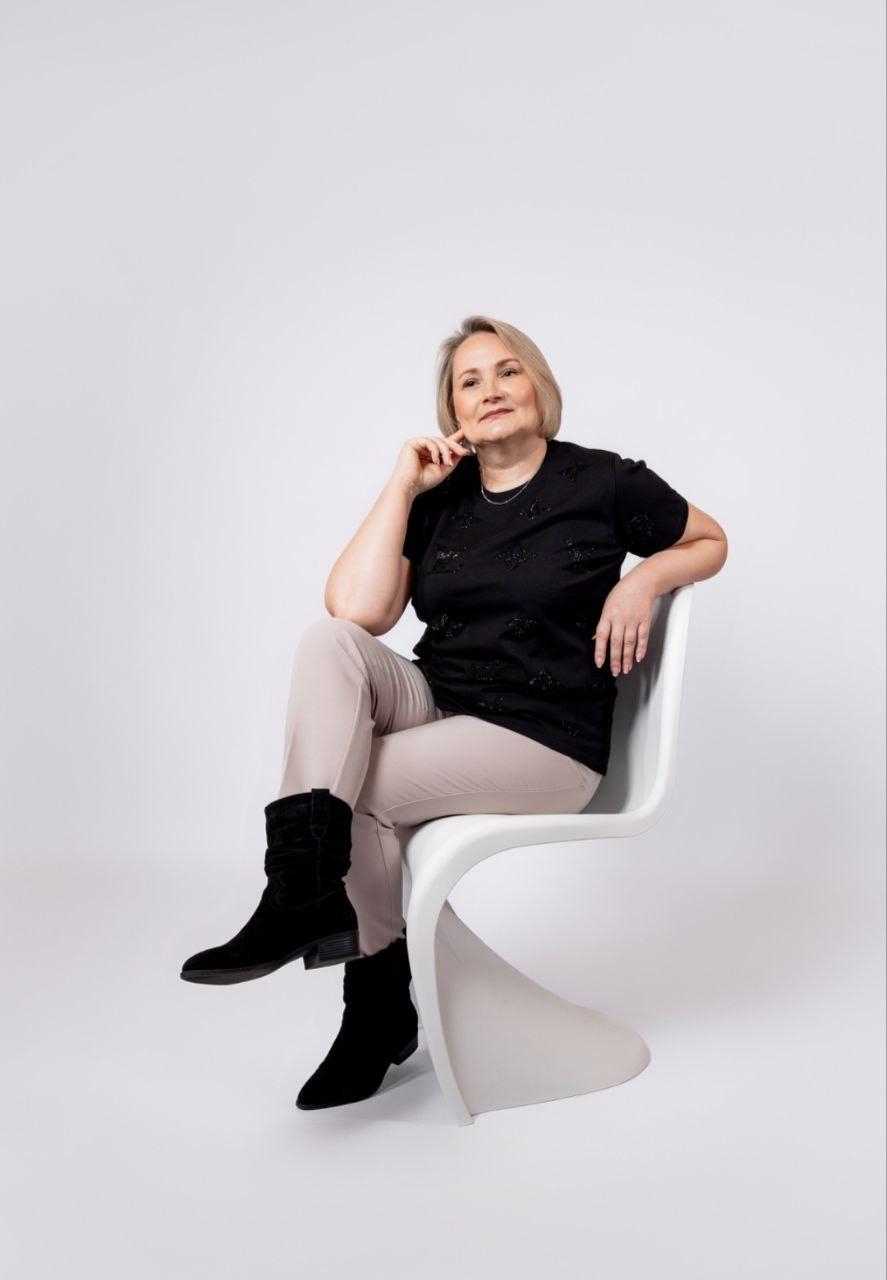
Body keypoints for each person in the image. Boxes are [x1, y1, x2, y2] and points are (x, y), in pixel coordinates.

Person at [180, 315, 729, 1112]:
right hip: (440, 706)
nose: (490, 390)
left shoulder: (603, 482)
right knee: (329, 644)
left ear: (537, 385)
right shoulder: (443, 498)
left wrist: (641, 580)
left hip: (544, 741)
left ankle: (373, 1004)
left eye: (507, 371)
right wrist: (403, 486)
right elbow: (355, 610)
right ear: (454, 412)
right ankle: (301, 891)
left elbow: (709, 540)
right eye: (469, 382)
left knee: (356, 791)